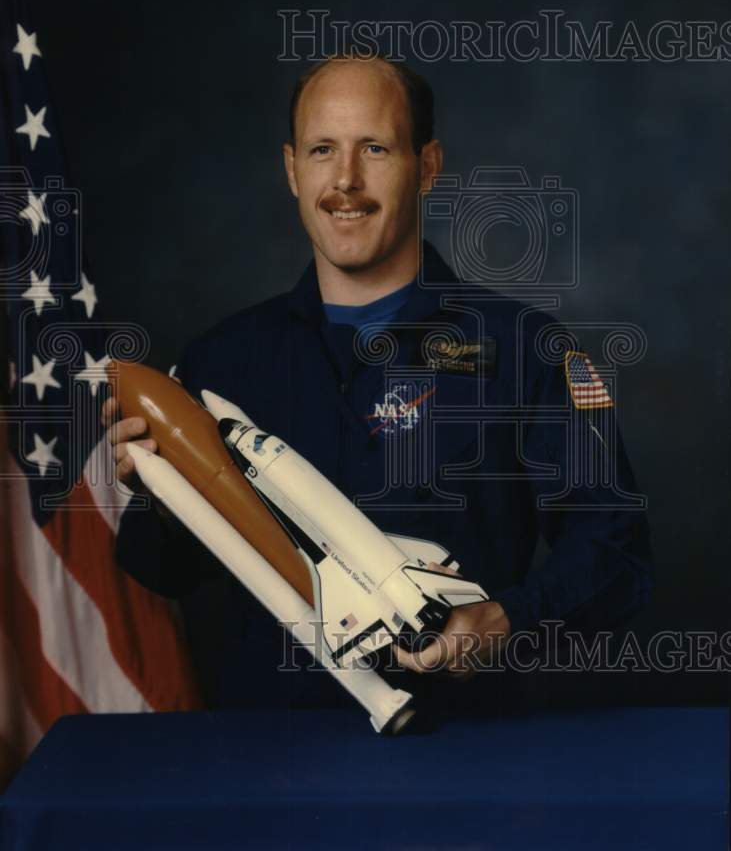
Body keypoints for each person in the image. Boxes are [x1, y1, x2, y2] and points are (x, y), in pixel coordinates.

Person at [103, 55, 652, 715]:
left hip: (470, 751)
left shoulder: (523, 348)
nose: (345, 180)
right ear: (290, 169)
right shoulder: (223, 361)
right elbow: (161, 575)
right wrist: (168, 495)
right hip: (267, 758)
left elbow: (616, 556)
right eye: (321, 150)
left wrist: (502, 621)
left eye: (375, 148)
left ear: (426, 166)